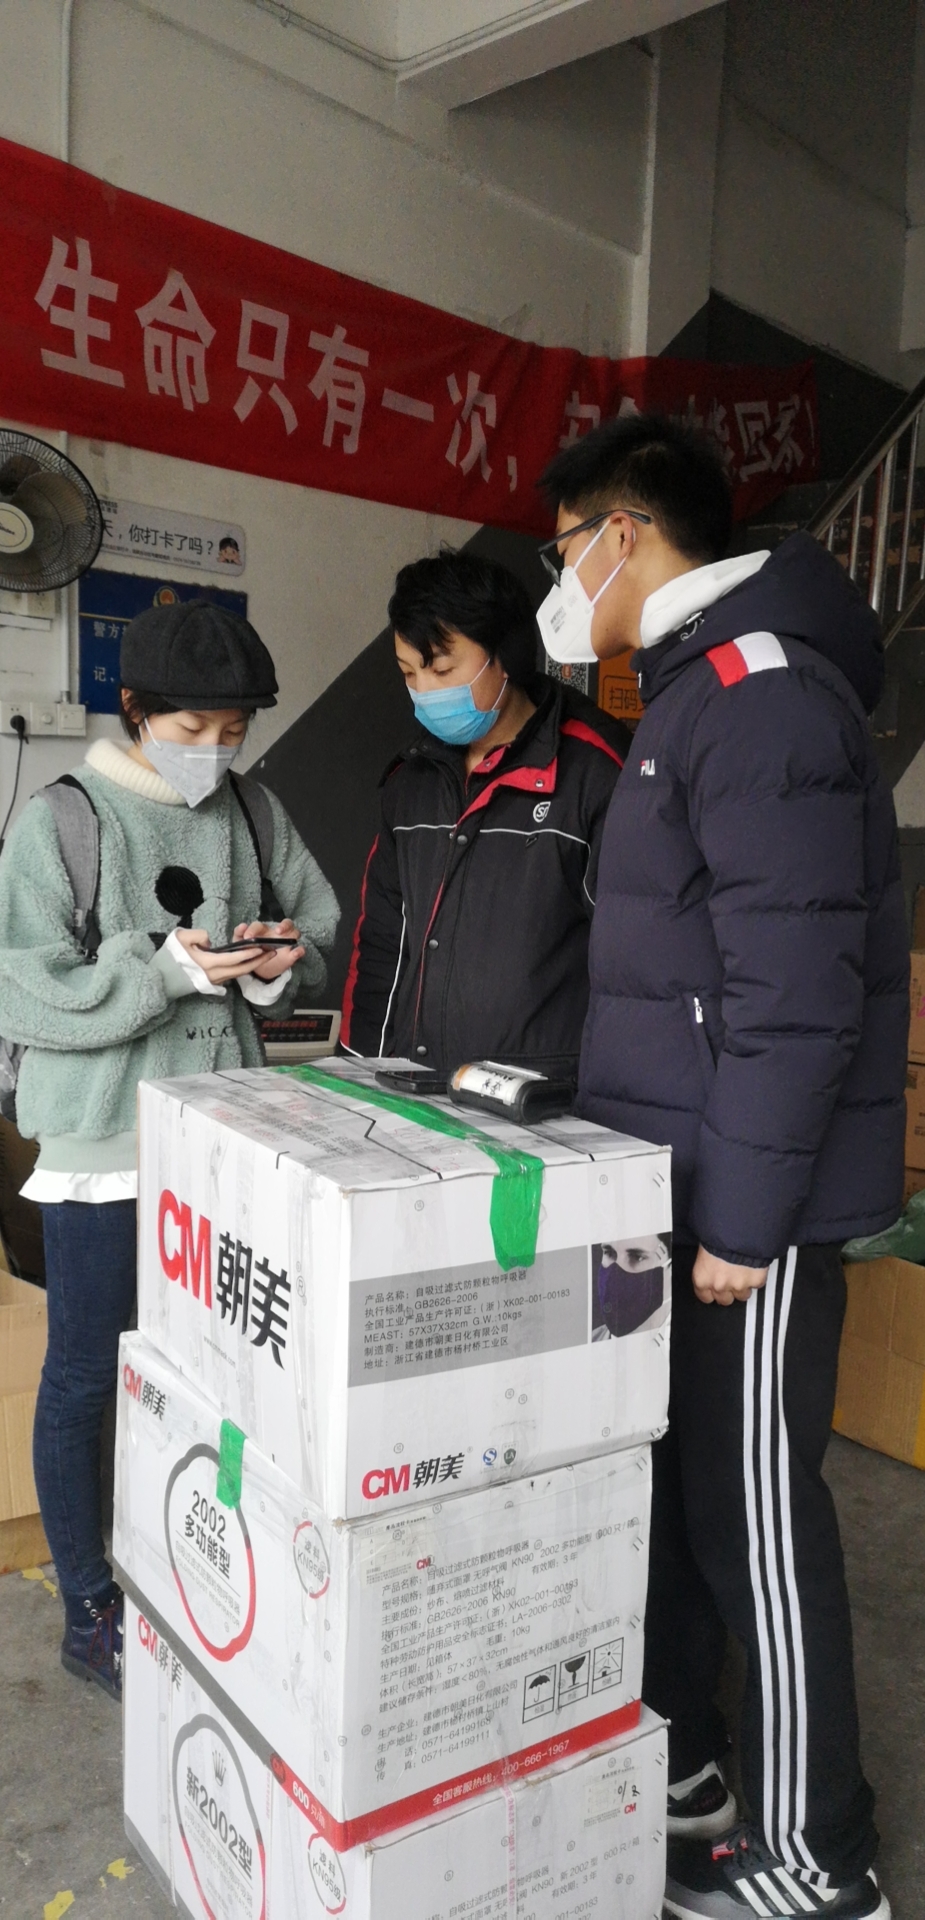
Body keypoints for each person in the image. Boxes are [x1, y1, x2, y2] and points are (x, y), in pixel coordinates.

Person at [539, 414, 906, 1920]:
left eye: (561, 549)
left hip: (741, 1216)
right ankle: (698, 1776)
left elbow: (796, 997)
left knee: (753, 1523)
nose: (557, 583)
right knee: (691, 1506)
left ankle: (817, 1859)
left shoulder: (758, 699)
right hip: (681, 1190)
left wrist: (743, 1226)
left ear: (622, 535)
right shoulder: (693, 693)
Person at [0, 599, 338, 1701]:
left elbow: (317, 923)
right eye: (193, 729)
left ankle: (186, 1563)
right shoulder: (63, 818)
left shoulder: (252, 808)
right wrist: (163, 974)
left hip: (224, 1134)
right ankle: (88, 1603)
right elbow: (22, 987)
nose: (214, 751)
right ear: (136, 709)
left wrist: (280, 961)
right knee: (87, 1372)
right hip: (106, 1142)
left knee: (205, 1372)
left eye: (234, 731)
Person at [340, 549, 630, 1077]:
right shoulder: (412, 780)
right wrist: (358, 1074)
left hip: (542, 1102)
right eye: (409, 673)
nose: (425, 692)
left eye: (442, 669)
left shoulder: (597, 772)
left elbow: (632, 964)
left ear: (506, 655)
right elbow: (383, 942)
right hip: (415, 1091)